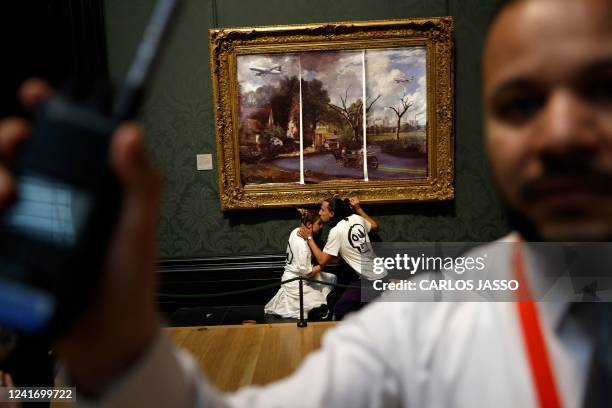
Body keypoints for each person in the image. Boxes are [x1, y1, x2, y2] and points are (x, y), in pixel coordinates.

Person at [1, 0, 611, 405]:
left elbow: (344, 253)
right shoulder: (423, 322)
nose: (559, 134)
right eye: (520, 105)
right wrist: (116, 347)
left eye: (603, 90)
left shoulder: (349, 239)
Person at [297, 196, 385, 320]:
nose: (319, 213)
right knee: (335, 300)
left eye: (322, 210)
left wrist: (309, 237)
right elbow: (376, 227)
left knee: (340, 309)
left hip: (369, 280)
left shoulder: (336, 231)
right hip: (378, 274)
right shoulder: (356, 218)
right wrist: (358, 209)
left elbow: (322, 260)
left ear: (332, 213)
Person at [264, 209, 336, 320]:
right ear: (309, 225)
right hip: (295, 282)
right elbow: (309, 273)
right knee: (320, 304)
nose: (322, 226)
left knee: (331, 278)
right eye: (319, 224)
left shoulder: (296, 230)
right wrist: (323, 264)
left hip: (302, 276)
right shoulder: (302, 245)